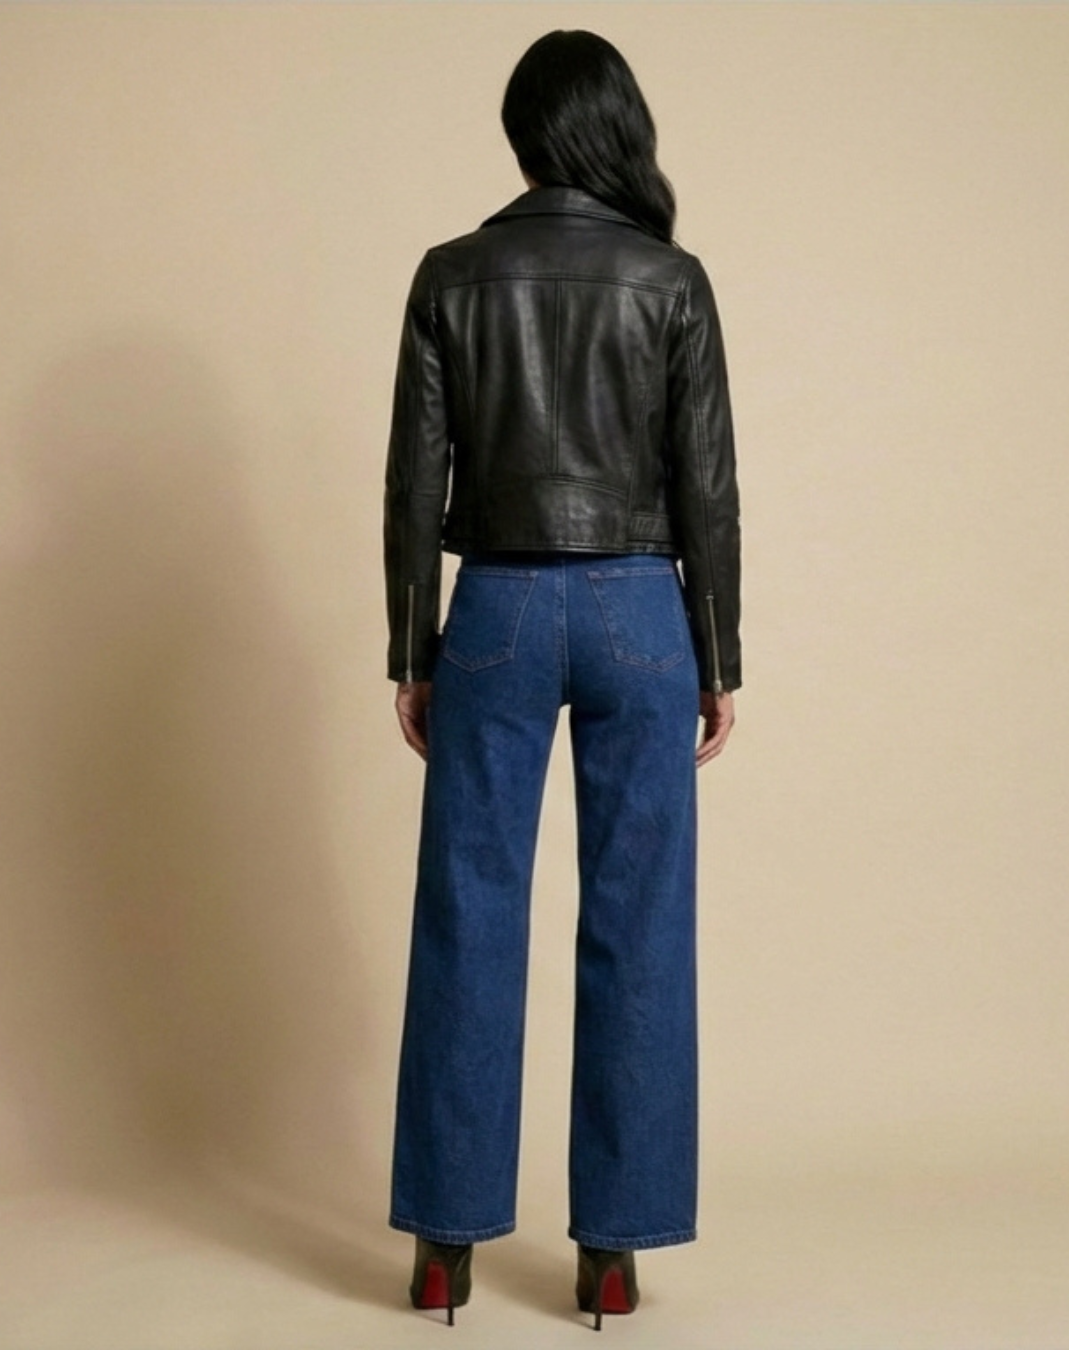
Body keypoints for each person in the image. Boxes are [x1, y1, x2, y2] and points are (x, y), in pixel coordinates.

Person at [381, 28, 741, 1330]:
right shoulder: (672, 279)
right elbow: (707, 483)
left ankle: (443, 1248)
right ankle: (613, 1257)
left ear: (523, 133)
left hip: (496, 611)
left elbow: (412, 483)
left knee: (469, 914)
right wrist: (719, 654)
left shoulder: (452, 274)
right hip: (644, 608)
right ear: (616, 128)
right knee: (638, 921)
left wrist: (413, 649)